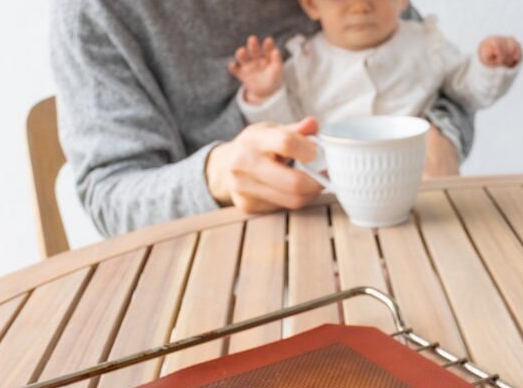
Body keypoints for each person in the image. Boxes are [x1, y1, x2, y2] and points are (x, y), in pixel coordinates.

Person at [51, 1, 477, 237]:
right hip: (208, 274)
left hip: (392, 236)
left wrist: (442, 138)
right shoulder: (96, 11)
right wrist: (217, 176)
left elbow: (431, 75)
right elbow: (110, 195)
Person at [229, 0, 522, 130]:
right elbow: (286, 130)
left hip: (416, 181)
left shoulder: (426, 43)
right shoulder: (304, 63)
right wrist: (266, 94)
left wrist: (490, 66)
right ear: (311, 5)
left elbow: (468, 92)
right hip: (330, 192)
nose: (360, 7)